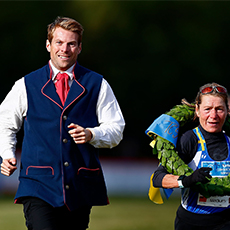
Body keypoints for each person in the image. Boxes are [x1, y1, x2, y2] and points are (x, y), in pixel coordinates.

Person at [0, 16, 125, 230]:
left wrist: (91, 134)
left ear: (79, 48)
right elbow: (5, 122)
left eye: (71, 43)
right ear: (48, 45)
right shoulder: (26, 85)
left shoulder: (98, 84)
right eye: (59, 42)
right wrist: (7, 154)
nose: (64, 49)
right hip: (37, 185)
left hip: (80, 186)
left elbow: (116, 129)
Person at [153, 82, 230, 230]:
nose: (213, 116)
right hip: (191, 223)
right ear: (197, 110)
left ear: (227, 110)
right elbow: (158, 178)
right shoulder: (189, 140)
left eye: (219, 109)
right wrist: (188, 180)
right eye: (207, 109)